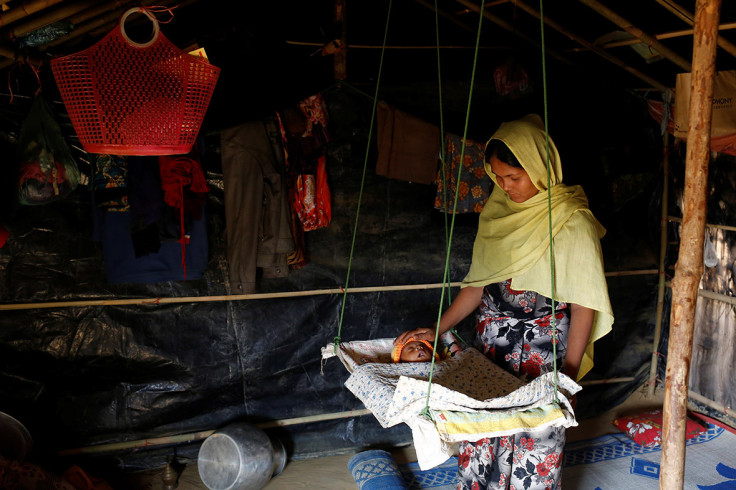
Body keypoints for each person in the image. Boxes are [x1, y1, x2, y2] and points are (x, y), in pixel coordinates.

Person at [394, 114, 613, 490]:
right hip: (491, 347)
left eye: (514, 177)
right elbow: (477, 286)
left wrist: (569, 375)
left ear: (540, 167)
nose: (506, 187)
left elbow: (584, 306)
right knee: (480, 431)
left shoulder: (572, 221)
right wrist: (439, 328)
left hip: (543, 353)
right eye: (498, 178)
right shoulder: (497, 214)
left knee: (536, 439)